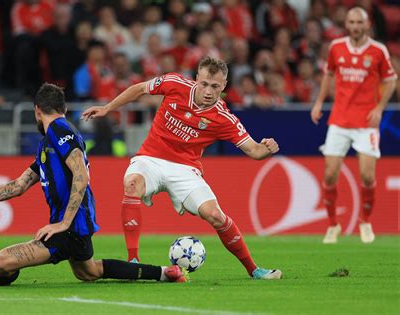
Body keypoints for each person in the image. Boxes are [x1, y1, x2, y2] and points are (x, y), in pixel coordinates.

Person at [0, 83, 186, 286]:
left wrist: (63, 223)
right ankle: (166, 273)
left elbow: (81, 175)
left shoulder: (59, 129)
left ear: (36, 111)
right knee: (89, 271)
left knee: (3, 260)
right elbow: (20, 185)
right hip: (75, 226)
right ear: (63, 108)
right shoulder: (48, 144)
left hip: (71, 227)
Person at [82, 56, 282, 280]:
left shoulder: (224, 118)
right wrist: (108, 108)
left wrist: (266, 149)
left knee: (215, 215)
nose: (208, 91)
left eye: (215, 86)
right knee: (132, 185)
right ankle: (133, 261)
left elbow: (254, 151)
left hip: (186, 169)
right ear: (197, 78)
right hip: (151, 159)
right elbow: (139, 89)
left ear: (224, 86)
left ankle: (254, 270)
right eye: (204, 83)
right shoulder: (175, 84)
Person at [311, 7, 397, 244]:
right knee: (329, 175)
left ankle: (365, 221)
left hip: (366, 122)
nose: (355, 26)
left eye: (359, 22)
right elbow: (328, 75)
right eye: (351, 22)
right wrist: (319, 103)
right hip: (339, 119)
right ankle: (332, 225)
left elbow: (391, 81)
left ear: (367, 24)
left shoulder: (378, 50)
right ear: (346, 24)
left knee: (368, 177)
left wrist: (379, 108)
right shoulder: (336, 47)